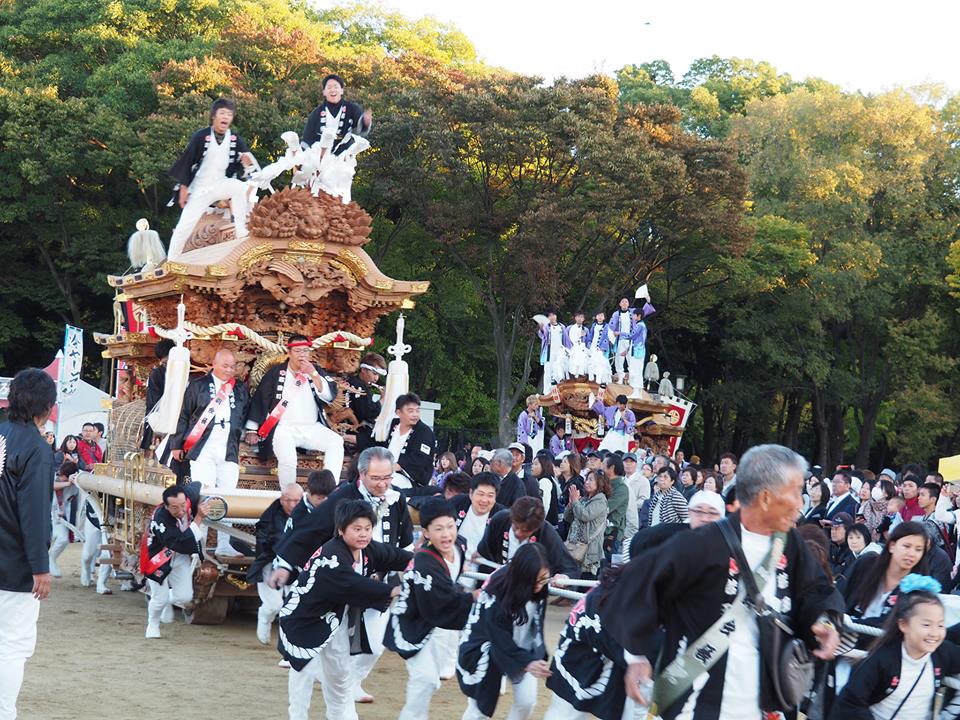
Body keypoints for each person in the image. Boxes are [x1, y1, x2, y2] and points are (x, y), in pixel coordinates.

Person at [602, 443, 843, 718]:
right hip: (700, 698)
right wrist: (637, 656)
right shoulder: (701, 544)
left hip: (766, 698)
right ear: (765, 498)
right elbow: (636, 583)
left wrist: (823, 621)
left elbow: (816, 590)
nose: (802, 504)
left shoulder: (791, 543)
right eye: (795, 493)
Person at [269, 446, 414, 704]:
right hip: (342, 578)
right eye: (376, 478)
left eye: (387, 477)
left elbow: (402, 542)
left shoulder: (397, 497)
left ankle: (353, 680)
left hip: (380, 574)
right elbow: (312, 530)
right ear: (361, 474)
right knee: (336, 640)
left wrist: (412, 566)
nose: (382, 484)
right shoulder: (343, 496)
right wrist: (285, 565)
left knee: (378, 641)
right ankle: (333, 683)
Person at [279, 500, 410, 720]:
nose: (363, 534)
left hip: (334, 620)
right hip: (303, 618)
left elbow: (395, 556)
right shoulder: (332, 556)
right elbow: (352, 584)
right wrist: (391, 590)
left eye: (367, 529)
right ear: (341, 530)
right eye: (357, 529)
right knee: (303, 673)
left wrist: (426, 564)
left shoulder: (367, 550)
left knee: (340, 675)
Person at [385, 498, 478, 720]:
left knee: (431, 679)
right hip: (412, 623)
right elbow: (442, 603)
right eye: (438, 529)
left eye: (450, 526)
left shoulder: (459, 545)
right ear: (425, 532)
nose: (446, 534)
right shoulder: (425, 563)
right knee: (425, 679)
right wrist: (474, 597)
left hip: (436, 621)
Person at [0, 368, 57, 720]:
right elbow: (34, 513)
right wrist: (40, 567)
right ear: (47, 408)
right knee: (13, 646)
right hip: (14, 564)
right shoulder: (36, 448)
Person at [829, 575, 960, 720]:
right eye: (926, 625)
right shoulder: (882, 659)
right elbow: (851, 701)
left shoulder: (942, 653)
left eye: (940, 625)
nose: (934, 633)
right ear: (903, 624)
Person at [457, 543, 553, 720]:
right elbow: (499, 638)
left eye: (544, 578)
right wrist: (527, 662)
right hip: (486, 648)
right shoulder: (498, 591)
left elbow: (536, 623)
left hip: (522, 646)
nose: (540, 585)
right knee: (479, 710)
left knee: (527, 702)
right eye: (536, 580)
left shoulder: (540, 586)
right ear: (523, 576)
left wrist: (533, 657)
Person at [169, 348, 249, 555]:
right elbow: (184, 415)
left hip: (229, 449)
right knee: (204, 495)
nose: (229, 370)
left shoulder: (239, 388)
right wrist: (177, 444)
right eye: (225, 366)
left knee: (228, 496)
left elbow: (245, 414)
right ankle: (199, 541)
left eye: (233, 366)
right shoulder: (198, 386)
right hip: (202, 448)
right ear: (214, 364)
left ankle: (224, 544)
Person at [245, 335, 344, 486]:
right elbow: (260, 399)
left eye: (305, 351)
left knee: (336, 442)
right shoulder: (276, 373)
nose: (302, 355)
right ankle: (288, 494)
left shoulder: (315, 371)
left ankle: (329, 488)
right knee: (288, 458)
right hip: (283, 428)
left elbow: (329, 395)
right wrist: (251, 429)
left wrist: (314, 374)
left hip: (311, 427)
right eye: (298, 351)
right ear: (289, 353)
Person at [167, 97, 256, 259]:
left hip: (220, 184)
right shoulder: (201, 136)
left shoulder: (235, 139)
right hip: (200, 189)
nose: (225, 117)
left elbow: (248, 162)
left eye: (229, 114)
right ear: (214, 116)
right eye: (222, 113)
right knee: (184, 226)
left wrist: (246, 162)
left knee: (240, 188)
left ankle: (241, 229)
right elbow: (187, 161)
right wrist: (184, 188)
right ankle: (172, 260)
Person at [143, 483, 210, 638]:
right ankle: (152, 625)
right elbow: (179, 542)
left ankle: (167, 600)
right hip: (159, 556)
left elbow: (195, 485)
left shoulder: (188, 497)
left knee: (185, 596)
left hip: (180, 556)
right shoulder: (161, 518)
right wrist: (199, 518)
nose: (180, 511)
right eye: (175, 508)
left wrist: (204, 487)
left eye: (182, 505)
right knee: (159, 598)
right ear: (166, 507)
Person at [249, 483, 303, 645]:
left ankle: (291, 644)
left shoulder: (308, 513)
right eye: (288, 500)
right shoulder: (269, 518)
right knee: (274, 605)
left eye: (297, 501)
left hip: (298, 564)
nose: (293, 505)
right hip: (270, 562)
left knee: (297, 605)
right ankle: (264, 621)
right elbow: (267, 544)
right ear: (281, 499)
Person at [477, 496, 578, 579]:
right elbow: (484, 553)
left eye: (525, 531)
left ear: (536, 528)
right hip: (499, 582)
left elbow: (570, 568)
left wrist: (563, 577)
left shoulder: (546, 532)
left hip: (530, 591)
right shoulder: (500, 519)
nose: (518, 533)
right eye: (515, 526)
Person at [301, 73, 372, 159]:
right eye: (329, 87)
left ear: (342, 90)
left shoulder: (351, 108)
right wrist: (301, 160)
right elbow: (307, 138)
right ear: (324, 92)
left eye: (335, 87)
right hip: (321, 159)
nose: (332, 90)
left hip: (344, 156)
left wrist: (365, 121)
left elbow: (360, 121)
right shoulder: (316, 113)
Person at [382, 393, 437, 489]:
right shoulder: (392, 425)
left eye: (417, 410)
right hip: (385, 472)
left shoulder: (424, 432)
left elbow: (420, 458)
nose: (415, 415)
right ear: (398, 412)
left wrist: (391, 468)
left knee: (383, 484)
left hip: (410, 479)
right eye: (410, 411)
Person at [564, 470, 610, 580]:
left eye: (591, 480)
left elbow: (585, 515)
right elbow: (567, 518)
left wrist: (575, 501)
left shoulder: (600, 500)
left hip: (588, 552)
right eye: (587, 479)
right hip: (575, 547)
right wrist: (571, 504)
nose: (587, 482)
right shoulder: (584, 499)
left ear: (600, 483)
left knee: (584, 585)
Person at [343, 352, 386, 452]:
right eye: (374, 374)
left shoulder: (357, 383)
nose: (376, 378)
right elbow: (367, 413)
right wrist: (382, 399)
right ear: (363, 370)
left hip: (352, 424)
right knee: (379, 438)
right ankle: (345, 437)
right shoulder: (359, 387)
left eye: (378, 375)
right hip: (350, 427)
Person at [140, 338, 175, 453]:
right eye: (165, 362)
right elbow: (152, 402)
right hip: (161, 416)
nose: (167, 364)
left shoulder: (185, 369)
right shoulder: (157, 374)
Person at [79, 484, 113, 595]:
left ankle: (101, 583)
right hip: (93, 518)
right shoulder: (94, 473)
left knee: (108, 553)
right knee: (88, 553)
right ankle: (86, 569)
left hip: (113, 520)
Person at [48, 461, 80, 578]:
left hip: (61, 515)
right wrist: (67, 483)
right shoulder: (53, 475)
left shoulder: (78, 477)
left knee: (63, 539)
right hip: (46, 512)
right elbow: (51, 485)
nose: (60, 476)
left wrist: (76, 479)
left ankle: (51, 558)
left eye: (63, 476)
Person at [603, 455, 629, 558]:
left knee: (606, 568)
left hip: (611, 533)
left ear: (612, 467)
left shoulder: (621, 488)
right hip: (600, 532)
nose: (601, 466)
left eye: (603, 464)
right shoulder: (604, 483)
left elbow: (605, 508)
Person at [538, 311, 567, 392]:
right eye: (549, 316)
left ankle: (559, 389)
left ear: (556, 316)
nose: (552, 317)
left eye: (553, 315)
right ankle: (547, 392)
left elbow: (566, 340)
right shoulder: (547, 327)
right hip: (549, 353)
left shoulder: (562, 327)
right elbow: (543, 335)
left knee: (559, 371)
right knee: (548, 372)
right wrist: (541, 328)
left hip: (560, 353)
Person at [532, 452, 560, 526]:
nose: (532, 467)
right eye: (532, 464)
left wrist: (537, 524)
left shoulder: (544, 481)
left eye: (535, 464)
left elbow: (544, 506)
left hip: (546, 525)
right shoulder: (549, 479)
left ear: (544, 466)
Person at [585, 311, 612, 384]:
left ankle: (600, 380)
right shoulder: (594, 325)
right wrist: (589, 344)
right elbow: (591, 335)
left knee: (600, 363)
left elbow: (607, 337)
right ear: (596, 317)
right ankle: (591, 378)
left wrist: (602, 347)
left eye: (601, 315)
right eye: (598, 315)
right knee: (591, 362)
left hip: (601, 348)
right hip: (593, 346)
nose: (600, 317)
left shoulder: (607, 326)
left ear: (604, 317)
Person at [829, 512, 855, 581]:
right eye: (832, 528)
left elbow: (838, 574)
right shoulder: (829, 545)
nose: (833, 531)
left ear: (848, 530)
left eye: (837, 528)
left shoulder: (853, 549)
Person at [563, 311, 590, 378]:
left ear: (584, 319)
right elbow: (566, 339)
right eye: (578, 317)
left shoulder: (585, 329)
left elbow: (588, 341)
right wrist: (569, 349)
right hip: (572, 349)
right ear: (575, 318)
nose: (579, 319)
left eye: (581, 317)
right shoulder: (569, 328)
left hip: (582, 350)